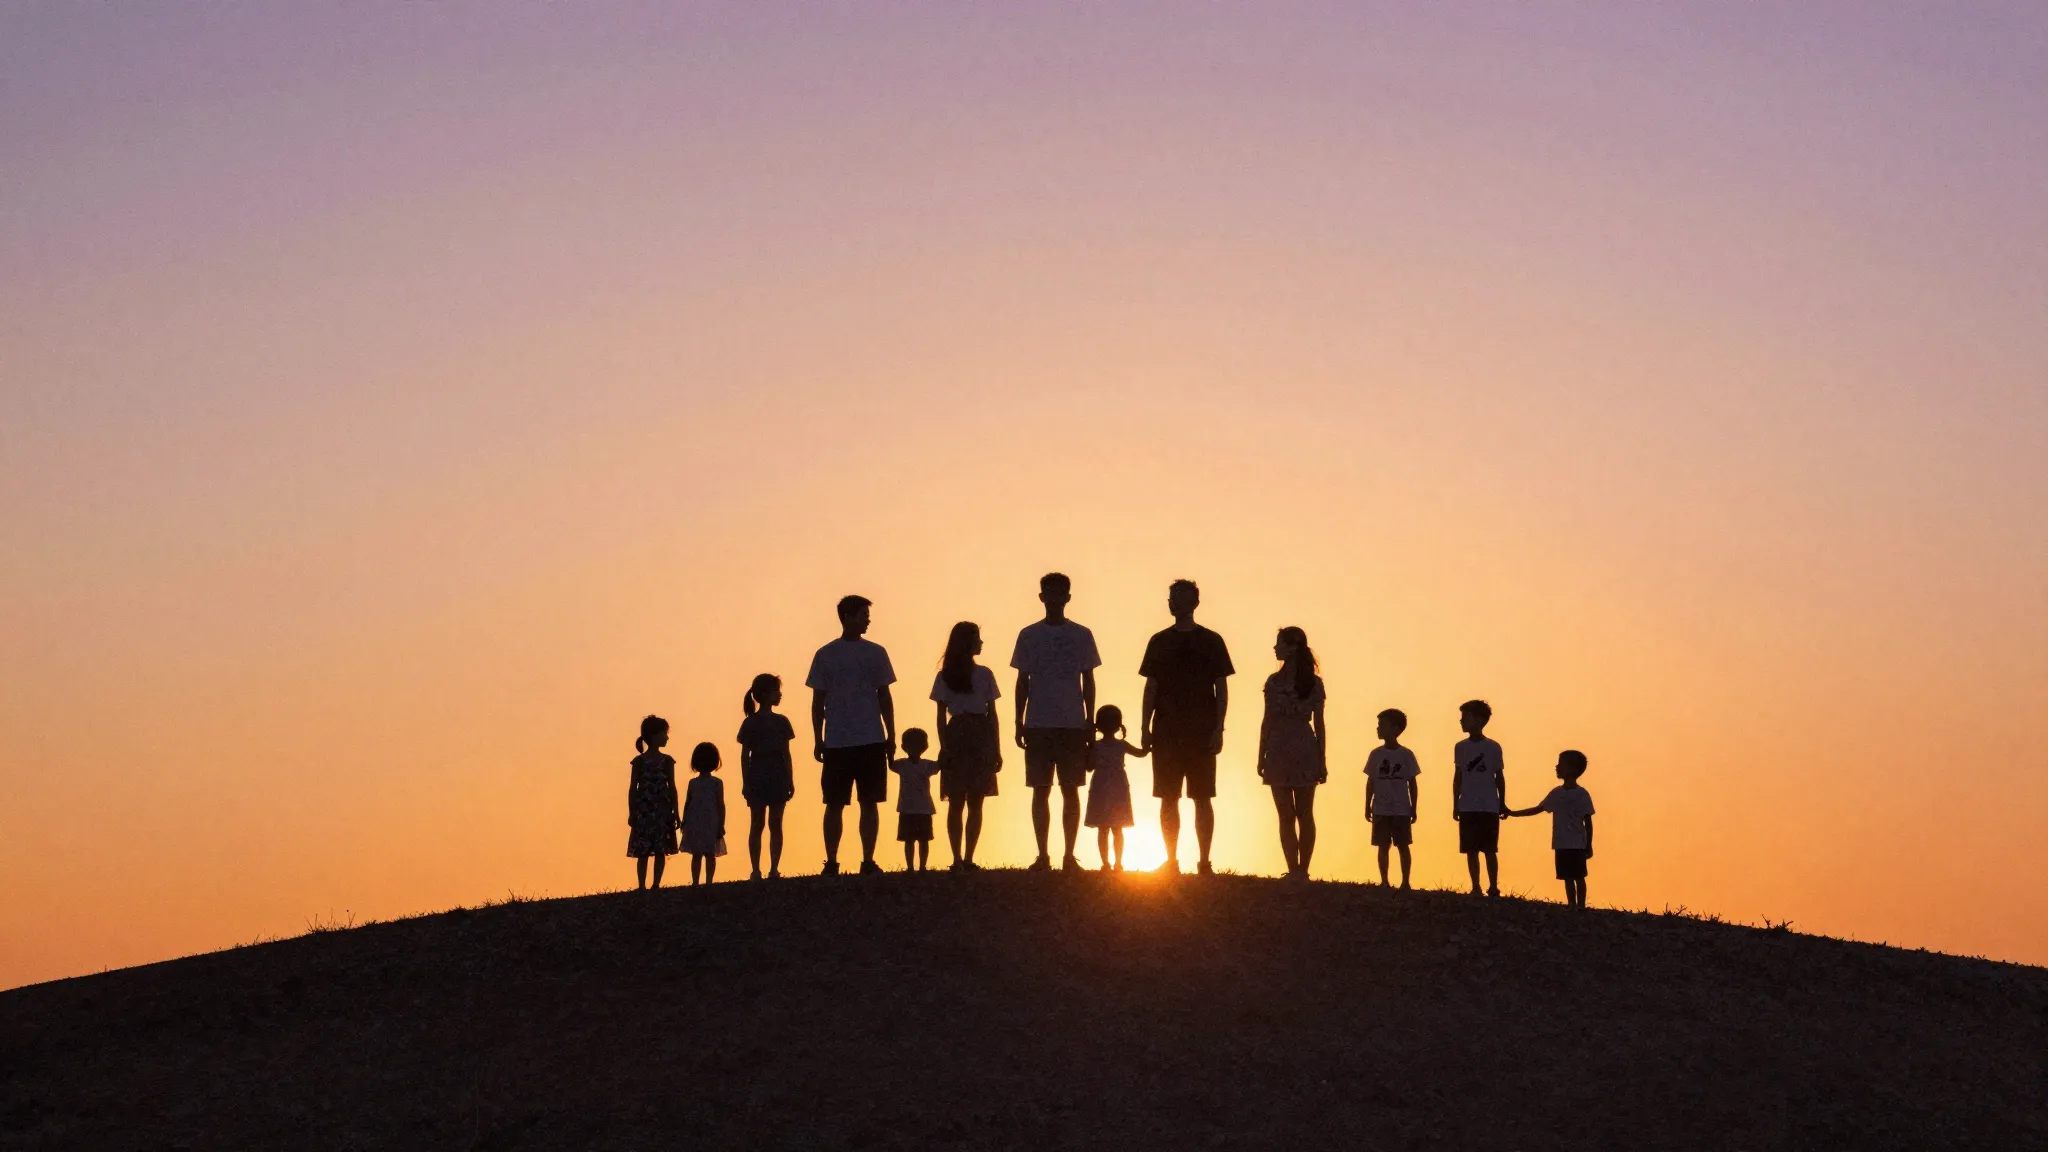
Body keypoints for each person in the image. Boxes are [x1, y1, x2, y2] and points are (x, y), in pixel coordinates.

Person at [1139, 579, 1234, 875]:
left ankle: (1204, 862)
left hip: (1201, 732)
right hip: (1166, 730)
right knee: (1168, 797)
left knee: (1202, 796)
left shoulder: (1212, 641)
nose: (1174, 603)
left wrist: (1219, 728)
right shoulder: (1158, 641)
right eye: (1171, 598)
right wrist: (1144, 726)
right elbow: (1150, 687)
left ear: (1194, 603)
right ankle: (1171, 861)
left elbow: (1222, 687)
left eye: (1180, 598)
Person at [1010, 572, 1102, 872]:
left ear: (1067, 597)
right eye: (1048, 593)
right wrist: (1018, 720)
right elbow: (1022, 680)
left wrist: (1090, 720)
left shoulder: (1081, 634)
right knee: (1040, 788)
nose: (1054, 598)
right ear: (1041, 597)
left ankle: (1069, 855)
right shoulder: (1028, 635)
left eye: (1059, 593)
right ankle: (1042, 855)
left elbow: (1088, 680)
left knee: (1071, 789)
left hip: (1073, 723)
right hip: (1038, 722)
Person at [806, 595, 897, 876]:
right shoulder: (825, 655)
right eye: (862, 615)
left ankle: (867, 860)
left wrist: (890, 735)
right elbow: (818, 701)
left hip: (870, 737)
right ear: (847, 617)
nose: (867, 620)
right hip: (837, 740)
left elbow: (885, 696)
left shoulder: (877, 652)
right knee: (834, 803)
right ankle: (831, 861)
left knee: (869, 802)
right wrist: (818, 738)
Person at [1256, 626, 1326, 880]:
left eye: (1279, 643)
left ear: (1293, 646)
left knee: (1303, 812)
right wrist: (1261, 753)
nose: (1275, 648)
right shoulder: (1273, 683)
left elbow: (1319, 723)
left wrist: (1322, 758)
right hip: (1278, 746)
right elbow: (1267, 719)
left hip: (1302, 746)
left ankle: (1303, 870)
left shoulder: (1313, 683)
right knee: (1286, 813)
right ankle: (1294, 869)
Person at [933, 621, 1003, 871]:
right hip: (962, 733)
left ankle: (967, 857)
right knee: (958, 799)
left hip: (978, 733)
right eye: (978, 638)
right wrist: (944, 746)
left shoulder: (984, 674)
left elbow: (992, 713)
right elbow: (941, 714)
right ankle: (958, 858)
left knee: (974, 800)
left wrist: (996, 747)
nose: (981, 643)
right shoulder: (945, 675)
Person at [1506, 750, 1596, 908]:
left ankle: (1581, 905)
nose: (1557, 767)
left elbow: (1588, 821)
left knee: (1579, 876)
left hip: (1577, 843)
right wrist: (1513, 813)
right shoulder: (1556, 793)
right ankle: (1572, 905)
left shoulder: (1582, 794)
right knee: (1567, 876)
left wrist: (1589, 844)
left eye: (1561, 764)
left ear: (1572, 769)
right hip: (1561, 842)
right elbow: (1538, 809)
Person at [737, 674, 796, 880]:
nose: (779, 694)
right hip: (759, 774)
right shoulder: (750, 723)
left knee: (774, 823)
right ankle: (756, 869)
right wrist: (745, 782)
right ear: (764, 695)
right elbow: (745, 755)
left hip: (776, 773)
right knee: (758, 823)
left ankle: (773, 868)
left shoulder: (782, 722)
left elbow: (787, 753)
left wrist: (790, 779)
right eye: (775, 690)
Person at [1451, 699, 1507, 897]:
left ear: (1480, 720)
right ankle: (1475, 886)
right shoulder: (1460, 747)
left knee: (1489, 849)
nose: (1461, 721)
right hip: (1467, 805)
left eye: (1465, 717)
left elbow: (1499, 776)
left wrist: (1502, 803)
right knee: (1470, 848)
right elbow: (1458, 777)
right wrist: (1455, 803)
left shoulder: (1493, 747)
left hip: (1489, 805)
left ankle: (1493, 886)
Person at [1364, 708, 1420, 889]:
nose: (1378, 728)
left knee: (1403, 845)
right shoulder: (1376, 754)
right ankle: (1384, 881)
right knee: (1382, 845)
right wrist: (1367, 805)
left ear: (1395, 728)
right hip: (1381, 807)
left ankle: (1405, 882)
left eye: (1382, 725)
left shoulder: (1406, 755)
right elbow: (1370, 781)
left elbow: (1412, 783)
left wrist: (1413, 807)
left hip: (1401, 808)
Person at [1084, 704, 1144, 872]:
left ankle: (1107, 864)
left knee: (1104, 827)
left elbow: (1088, 767)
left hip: (1102, 786)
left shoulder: (1096, 745)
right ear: (1119, 725)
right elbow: (1141, 753)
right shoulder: (1120, 745)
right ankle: (1116, 863)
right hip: (1117, 786)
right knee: (1116, 828)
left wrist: (1086, 748)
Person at [626, 715, 680, 890]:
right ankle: (642, 885)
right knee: (643, 850)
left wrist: (676, 812)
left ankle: (656, 883)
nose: (667, 737)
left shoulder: (667, 761)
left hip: (662, 810)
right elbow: (633, 788)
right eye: (664, 733)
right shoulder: (639, 762)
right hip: (644, 810)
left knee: (660, 849)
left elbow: (672, 787)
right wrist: (632, 811)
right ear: (654, 735)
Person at [891, 728, 940, 871]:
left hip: (923, 809)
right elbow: (890, 763)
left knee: (923, 840)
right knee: (909, 840)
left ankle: (922, 866)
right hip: (908, 809)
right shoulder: (902, 765)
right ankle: (911, 867)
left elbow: (940, 764)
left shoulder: (926, 765)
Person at [680, 742, 727, 886]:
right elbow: (720, 805)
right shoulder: (715, 783)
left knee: (701, 854)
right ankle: (705, 882)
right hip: (706, 821)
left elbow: (688, 803)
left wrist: (685, 820)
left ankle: (701, 882)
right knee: (706, 854)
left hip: (703, 821)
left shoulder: (696, 783)